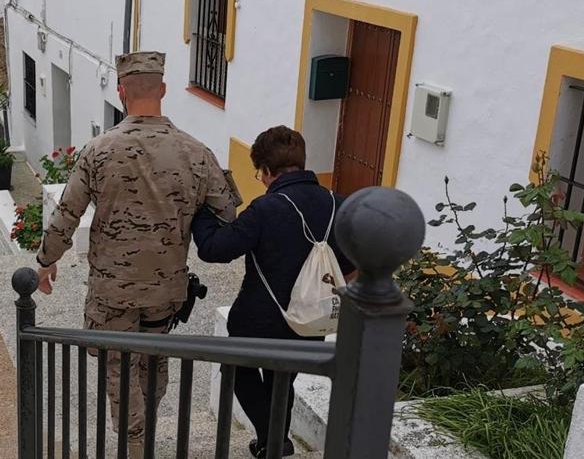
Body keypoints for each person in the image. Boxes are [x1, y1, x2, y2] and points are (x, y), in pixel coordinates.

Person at [36, 51, 241, 454]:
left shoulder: (98, 150)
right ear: (162, 90)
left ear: (121, 91)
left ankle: (132, 443)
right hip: (166, 289)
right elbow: (227, 211)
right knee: (155, 359)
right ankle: (142, 434)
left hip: (112, 290)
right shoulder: (196, 152)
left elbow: (68, 212)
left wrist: (46, 262)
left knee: (119, 367)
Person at [191, 126, 355, 459]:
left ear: (267, 171)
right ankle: (271, 442)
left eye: (259, 174)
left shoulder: (265, 209)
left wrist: (201, 211)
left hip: (259, 321)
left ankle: (272, 440)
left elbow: (213, 249)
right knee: (283, 379)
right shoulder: (340, 204)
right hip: (310, 321)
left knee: (238, 371)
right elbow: (352, 266)